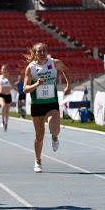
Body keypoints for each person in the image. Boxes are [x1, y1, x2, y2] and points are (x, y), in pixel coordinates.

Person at [23, 42, 70, 173]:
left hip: (51, 103)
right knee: (39, 136)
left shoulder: (54, 63)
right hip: (37, 105)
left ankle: (54, 137)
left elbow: (66, 70)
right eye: (39, 51)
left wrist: (68, 86)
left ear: (47, 51)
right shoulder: (30, 68)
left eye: (44, 50)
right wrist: (36, 85)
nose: (42, 53)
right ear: (35, 53)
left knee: (54, 127)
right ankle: (38, 161)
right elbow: (25, 89)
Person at [0, 64, 16, 132]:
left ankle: (6, 123)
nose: (4, 70)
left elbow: (12, 85)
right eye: (3, 69)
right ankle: (2, 121)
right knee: (3, 106)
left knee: (7, 111)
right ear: (1, 70)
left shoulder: (9, 77)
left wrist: (17, 90)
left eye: (5, 69)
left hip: (8, 95)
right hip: (1, 95)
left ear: (7, 70)